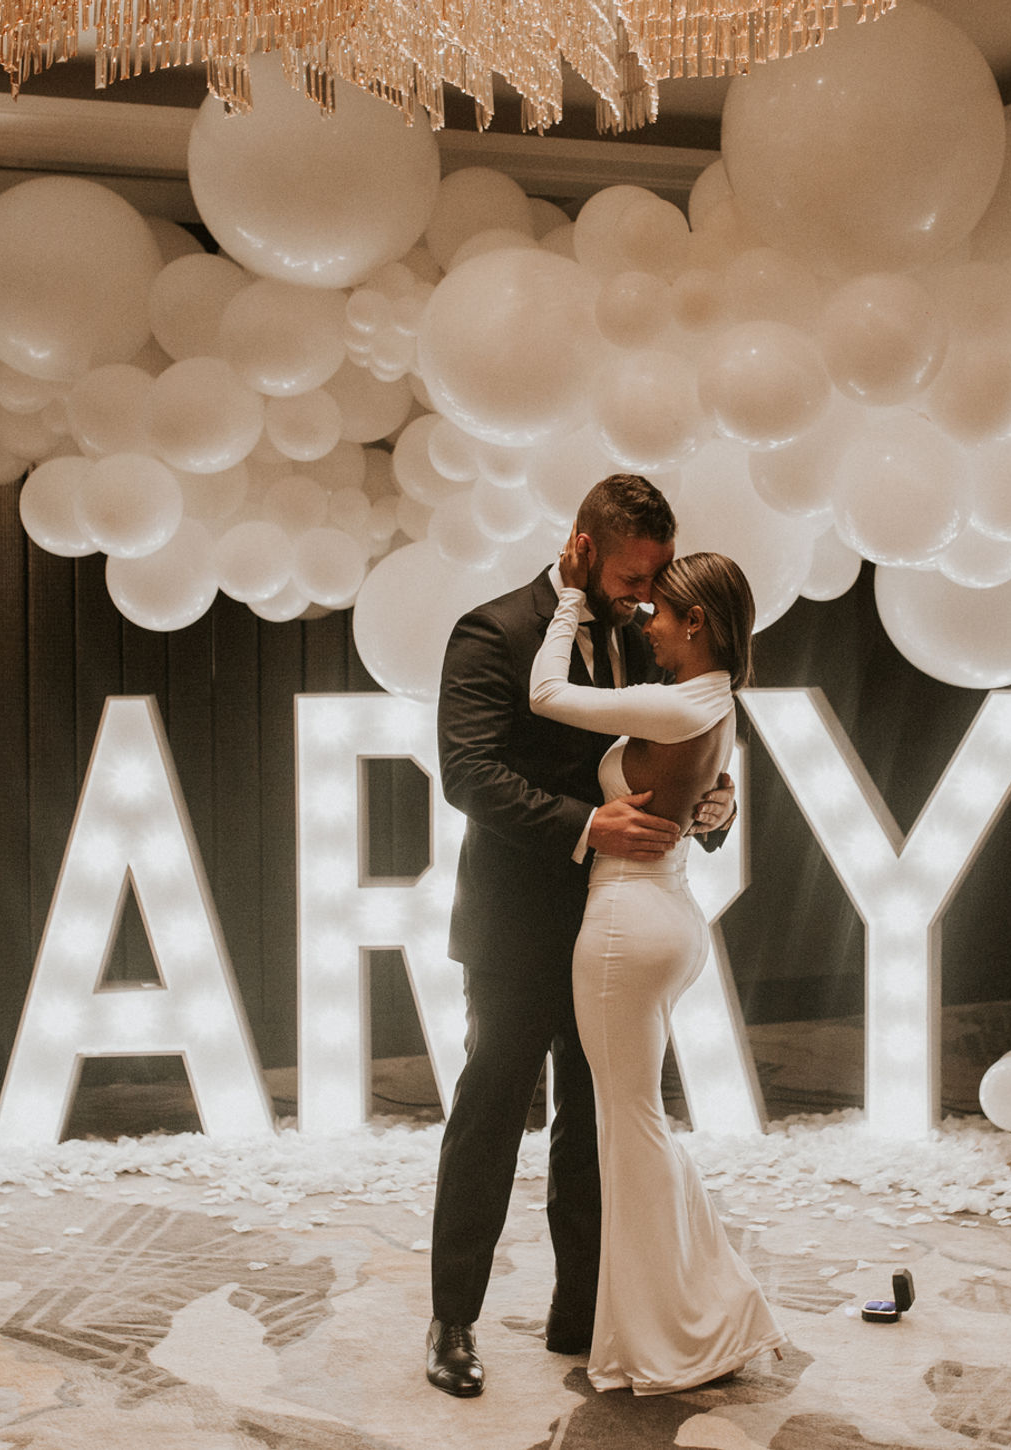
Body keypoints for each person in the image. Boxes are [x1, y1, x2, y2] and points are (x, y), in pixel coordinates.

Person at [427, 473, 735, 1398]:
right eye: (634, 575)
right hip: (519, 927)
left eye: (658, 578)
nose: (648, 597)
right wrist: (582, 825)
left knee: (593, 1126)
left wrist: (711, 802)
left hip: (617, 932)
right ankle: (452, 1322)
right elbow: (466, 772)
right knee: (490, 1120)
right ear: (583, 545)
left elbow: (675, 747)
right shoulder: (493, 632)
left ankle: (582, 1313)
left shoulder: (650, 640)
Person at [527, 539, 785, 1394]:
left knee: (629, 1131)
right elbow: (705, 791)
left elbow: (546, 695)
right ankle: (702, 1308)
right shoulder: (712, 700)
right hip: (664, 918)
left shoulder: (683, 701)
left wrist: (568, 598)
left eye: (662, 616)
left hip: (627, 925)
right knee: (638, 1128)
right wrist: (716, 801)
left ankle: (675, 1331)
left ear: (698, 622)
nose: (650, 626)